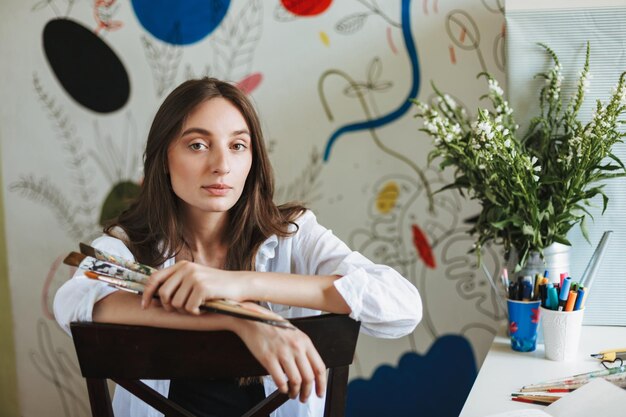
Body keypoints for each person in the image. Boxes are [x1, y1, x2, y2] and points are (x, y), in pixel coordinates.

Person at [53, 77, 422, 417]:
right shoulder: (130, 246)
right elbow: (75, 302)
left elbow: (402, 307)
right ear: (164, 158)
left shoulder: (291, 235)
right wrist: (242, 320)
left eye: (237, 146)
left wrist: (243, 285)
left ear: (253, 158)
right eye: (197, 145)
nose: (221, 165)